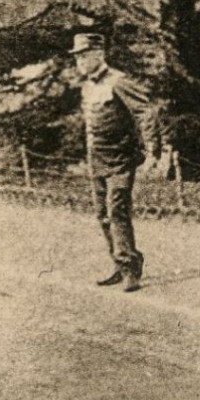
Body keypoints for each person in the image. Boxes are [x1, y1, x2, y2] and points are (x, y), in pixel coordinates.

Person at [74, 32, 164, 292]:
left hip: (120, 160)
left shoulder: (118, 81)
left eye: (83, 55)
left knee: (117, 212)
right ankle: (119, 261)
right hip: (97, 160)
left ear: (98, 54)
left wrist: (152, 151)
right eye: (77, 56)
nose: (79, 61)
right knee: (102, 214)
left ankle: (130, 269)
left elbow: (146, 111)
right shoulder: (88, 86)